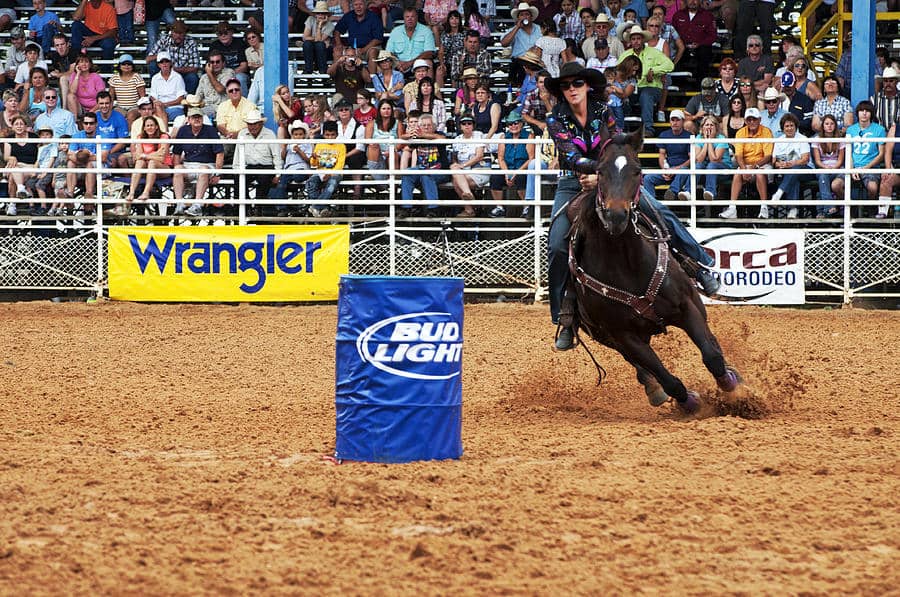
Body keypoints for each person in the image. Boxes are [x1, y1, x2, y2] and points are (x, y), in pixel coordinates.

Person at [545, 62, 719, 350]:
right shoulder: (556, 119)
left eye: (577, 83)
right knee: (557, 245)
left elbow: (619, 143)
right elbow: (570, 156)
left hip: (612, 177)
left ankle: (699, 266)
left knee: (657, 211)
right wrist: (594, 171)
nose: (572, 89)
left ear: (587, 86)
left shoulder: (605, 111)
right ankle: (565, 316)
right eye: (565, 86)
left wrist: (603, 173)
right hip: (573, 183)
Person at [618, 24, 672, 138]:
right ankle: (621, 128)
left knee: (646, 95)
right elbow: (618, 71)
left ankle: (648, 129)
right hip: (632, 88)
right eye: (633, 39)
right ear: (630, 41)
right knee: (620, 95)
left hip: (651, 87)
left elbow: (669, 65)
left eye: (638, 38)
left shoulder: (654, 52)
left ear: (642, 39)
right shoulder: (625, 55)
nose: (636, 41)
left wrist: (654, 70)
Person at [172, 107, 225, 218]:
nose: (197, 119)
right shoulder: (182, 130)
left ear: (202, 118)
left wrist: (217, 173)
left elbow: (219, 153)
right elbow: (176, 153)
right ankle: (179, 204)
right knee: (177, 169)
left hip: (207, 165)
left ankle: (197, 205)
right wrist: (177, 168)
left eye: (199, 117)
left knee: (203, 170)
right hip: (188, 165)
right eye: (194, 117)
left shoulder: (210, 130)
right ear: (189, 119)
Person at [721, 107, 773, 219]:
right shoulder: (740, 132)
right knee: (737, 174)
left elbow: (768, 156)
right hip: (746, 164)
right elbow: (738, 155)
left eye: (754, 119)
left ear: (759, 119)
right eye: (749, 120)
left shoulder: (766, 132)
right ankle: (732, 208)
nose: (752, 122)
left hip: (762, 164)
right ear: (745, 121)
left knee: (760, 174)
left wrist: (754, 167)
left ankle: (764, 208)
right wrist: (744, 169)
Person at [398, 113, 448, 218]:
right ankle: (406, 208)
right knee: (407, 173)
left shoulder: (439, 134)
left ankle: (433, 209)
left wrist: (424, 136)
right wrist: (412, 134)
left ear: (434, 126)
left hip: (440, 170)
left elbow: (443, 139)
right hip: (422, 168)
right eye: (423, 125)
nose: (426, 127)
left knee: (426, 174)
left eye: (429, 125)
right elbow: (402, 138)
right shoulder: (418, 137)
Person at [845, 100, 888, 218]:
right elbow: (849, 152)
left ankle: (870, 210)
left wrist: (865, 168)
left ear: (871, 113)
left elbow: (881, 154)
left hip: (871, 167)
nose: (864, 113)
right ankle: (850, 210)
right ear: (857, 113)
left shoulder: (879, 130)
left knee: (873, 188)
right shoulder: (850, 130)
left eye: (867, 111)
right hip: (853, 167)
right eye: (861, 111)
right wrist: (852, 169)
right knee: (836, 185)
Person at [234, 109, 282, 214]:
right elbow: (237, 155)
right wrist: (237, 170)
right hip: (249, 166)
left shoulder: (270, 134)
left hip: (266, 166)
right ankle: (244, 210)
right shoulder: (242, 134)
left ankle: (259, 209)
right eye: (250, 124)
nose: (252, 126)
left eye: (255, 123)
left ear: (261, 123)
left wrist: (278, 174)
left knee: (264, 179)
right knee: (238, 179)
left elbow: (276, 155)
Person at [489, 111, 534, 217]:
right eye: (510, 124)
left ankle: (526, 208)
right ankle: (499, 207)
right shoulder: (504, 137)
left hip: (523, 168)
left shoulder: (529, 136)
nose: (513, 126)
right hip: (508, 168)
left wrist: (516, 173)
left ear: (521, 123)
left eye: (516, 122)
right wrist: (506, 173)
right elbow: (500, 158)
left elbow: (531, 158)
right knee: (495, 177)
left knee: (521, 178)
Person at [642, 108, 692, 200]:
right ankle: (652, 205)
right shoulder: (664, 135)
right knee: (648, 178)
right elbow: (661, 155)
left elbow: (692, 159)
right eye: (672, 120)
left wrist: (676, 169)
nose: (675, 122)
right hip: (668, 168)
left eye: (677, 120)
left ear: (683, 121)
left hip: (682, 170)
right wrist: (665, 169)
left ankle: (672, 192)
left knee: (685, 170)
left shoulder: (689, 136)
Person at [769, 113, 810, 218]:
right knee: (793, 178)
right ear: (783, 128)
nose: (789, 128)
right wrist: (779, 164)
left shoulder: (802, 138)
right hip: (786, 171)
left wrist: (792, 163)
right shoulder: (779, 140)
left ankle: (779, 193)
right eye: (787, 126)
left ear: (796, 126)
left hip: (804, 170)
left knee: (794, 170)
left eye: (792, 125)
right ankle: (793, 209)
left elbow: (805, 159)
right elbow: (774, 161)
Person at [125, 115, 172, 205]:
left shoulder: (164, 136)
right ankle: (131, 192)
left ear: (157, 126)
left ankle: (146, 192)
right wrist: (154, 155)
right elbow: (138, 156)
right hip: (146, 169)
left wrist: (145, 156)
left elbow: (162, 157)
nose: (150, 128)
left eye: (152, 125)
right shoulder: (140, 137)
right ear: (144, 128)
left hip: (163, 168)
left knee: (152, 162)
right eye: (148, 126)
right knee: (140, 162)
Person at [449, 112, 489, 217]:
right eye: (464, 123)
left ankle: (470, 209)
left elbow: (479, 156)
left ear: (473, 125)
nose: (467, 125)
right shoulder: (457, 140)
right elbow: (454, 159)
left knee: (456, 181)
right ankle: (469, 197)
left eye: (469, 123)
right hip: (462, 173)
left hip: (479, 169)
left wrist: (462, 166)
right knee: (454, 171)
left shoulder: (479, 135)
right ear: (460, 126)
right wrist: (459, 166)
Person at [270, 120, 313, 214]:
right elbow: (283, 157)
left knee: (297, 177)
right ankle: (282, 208)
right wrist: (285, 148)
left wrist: (299, 151)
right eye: (296, 134)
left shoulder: (307, 144)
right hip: (289, 170)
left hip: (302, 169)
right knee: (281, 183)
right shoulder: (289, 144)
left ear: (304, 135)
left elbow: (308, 160)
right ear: (292, 135)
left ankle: (286, 206)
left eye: (300, 134)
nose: (298, 137)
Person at [148, 20, 201, 94]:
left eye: (181, 33)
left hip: (183, 74)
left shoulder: (191, 43)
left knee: (193, 77)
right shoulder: (164, 40)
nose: (178, 36)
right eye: (176, 33)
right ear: (171, 32)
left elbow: (195, 67)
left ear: (185, 33)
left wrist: (176, 70)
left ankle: (188, 100)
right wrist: (163, 55)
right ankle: (157, 92)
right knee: (152, 65)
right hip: (165, 73)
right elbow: (148, 59)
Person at [306, 120, 345, 218]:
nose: (330, 137)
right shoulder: (319, 145)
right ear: (323, 134)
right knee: (311, 182)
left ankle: (316, 206)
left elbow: (340, 164)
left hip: (335, 174)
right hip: (320, 172)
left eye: (332, 135)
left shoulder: (341, 146)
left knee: (331, 184)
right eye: (327, 135)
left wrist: (330, 174)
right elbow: (313, 164)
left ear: (337, 135)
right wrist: (314, 158)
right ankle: (322, 209)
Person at [386, 5, 437, 75]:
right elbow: (389, 52)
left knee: (428, 63)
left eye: (412, 17)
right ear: (403, 18)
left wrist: (410, 63)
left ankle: (427, 85)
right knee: (384, 63)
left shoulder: (426, 31)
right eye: (407, 17)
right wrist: (397, 63)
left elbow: (429, 53)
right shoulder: (396, 31)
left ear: (417, 18)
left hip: (419, 63)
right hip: (399, 64)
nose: (410, 19)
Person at [811, 113, 844, 218]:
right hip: (823, 168)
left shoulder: (840, 139)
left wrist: (834, 168)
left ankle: (823, 211)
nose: (829, 126)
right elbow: (817, 161)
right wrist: (826, 167)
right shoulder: (817, 139)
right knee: (823, 175)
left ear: (835, 125)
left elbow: (840, 160)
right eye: (826, 124)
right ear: (823, 126)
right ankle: (829, 207)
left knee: (824, 178)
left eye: (832, 124)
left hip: (838, 169)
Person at [500, 3, 541, 87]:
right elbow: (504, 43)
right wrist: (517, 27)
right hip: (519, 63)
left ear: (531, 17)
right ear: (518, 18)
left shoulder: (539, 29)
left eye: (527, 14)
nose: (525, 17)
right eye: (522, 15)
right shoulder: (513, 30)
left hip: (536, 62)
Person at [671, 0, 715, 79]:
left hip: (701, 48)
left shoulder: (708, 15)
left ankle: (700, 85)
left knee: (704, 52)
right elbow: (672, 34)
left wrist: (700, 44)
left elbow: (712, 36)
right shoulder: (678, 15)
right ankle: (679, 83)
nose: (692, 1)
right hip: (682, 48)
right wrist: (681, 45)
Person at [693, 115, 732, 201]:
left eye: (711, 125)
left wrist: (709, 140)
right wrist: (706, 142)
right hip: (707, 170)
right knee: (698, 166)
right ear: (702, 128)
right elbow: (698, 160)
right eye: (706, 125)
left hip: (723, 170)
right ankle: (688, 191)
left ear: (716, 127)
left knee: (712, 165)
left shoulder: (721, 138)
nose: (709, 127)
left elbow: (715, 159)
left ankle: (710, 192)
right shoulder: (699, 137)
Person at [334, 0, 384, 66]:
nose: (358, 7)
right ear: (353, 6)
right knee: (337, 51)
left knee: (372, 52)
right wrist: (339, 44)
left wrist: (363, 50)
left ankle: (372, 75)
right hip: (352, 49)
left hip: (370, 48)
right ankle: (338, 75)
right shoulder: (349, 16)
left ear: (365, 5)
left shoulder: (374, 17)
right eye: (356, 5)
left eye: (361, 4)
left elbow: (378, 38)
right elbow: (337, 30)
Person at [3, 114, 38, 207]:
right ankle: (20, 189)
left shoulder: (34, 137)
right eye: (16, 124)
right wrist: (11, 157)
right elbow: (6, 157)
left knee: (12, 177)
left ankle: (12, 205)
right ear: (12, 126)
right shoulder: (9, 139)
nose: (19, 126)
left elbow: (40, 154)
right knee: (13, 174)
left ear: (26, 126)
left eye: (21, 124)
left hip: (31, 166)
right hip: (17, 166)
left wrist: (35, 166)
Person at [209, 22, 250, 95]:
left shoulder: (240, 43)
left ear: (232, 33)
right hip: (220, 74)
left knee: (240, 78)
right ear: (217, 35)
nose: (223, 35)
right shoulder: (214, 45)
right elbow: (210, 66)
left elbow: (244, 66)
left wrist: (229, 74)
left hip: (237, 73)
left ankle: (244, 103)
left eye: (226, 33)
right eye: (220, 33)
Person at [93, 91, 130, 168]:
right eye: (101, 103)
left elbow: (123, 141)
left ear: (111, 104)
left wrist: (108, 152)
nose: (104, 106)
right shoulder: (94, 117)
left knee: (117, 160)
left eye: (107, 103)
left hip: (114, 151)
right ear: (97, 104)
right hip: (97, 150)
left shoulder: (119, 117)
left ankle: (127, 179)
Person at [195, 50, 233, 121]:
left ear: (223, 63)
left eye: (218, 61)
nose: (215, 64)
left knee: (197, 116)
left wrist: (209, 73)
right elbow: (198, 97)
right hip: (206, 107)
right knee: (187, 115)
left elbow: (220, 89)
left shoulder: (229, 73)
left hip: (221, 108)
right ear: (208, 64)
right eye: (212, 62)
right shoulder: (204, 77)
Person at [108, 54, 147, 123]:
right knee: (118, 116)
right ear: (119, 66)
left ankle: (129, 134)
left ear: (132, 66)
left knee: (131, 116)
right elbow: (111, 96)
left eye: (129, 64)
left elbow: (142, 96)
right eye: (124, 64)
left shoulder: (137, 77)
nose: (126, 66)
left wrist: (142, 109)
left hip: (135, 107)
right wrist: (110, 108)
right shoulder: (114, 78)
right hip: (120, 107)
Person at [149, 51, 186, 122]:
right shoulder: (155, 78)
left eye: (166, 61)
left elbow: (180, 99)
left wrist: (165, 104)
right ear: (158, 65)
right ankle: (165, 131)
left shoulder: (178, 77)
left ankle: (164, 131)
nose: (164, 64)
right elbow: (153, 96)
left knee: (159, 114)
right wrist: (158, 104)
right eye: (161, 62)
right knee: (157, 110)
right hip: (159, 107)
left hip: (175, 108)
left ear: (170, 63)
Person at [302, 2, 335, 75]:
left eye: (322, 13)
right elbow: (305, 37)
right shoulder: (310, 19)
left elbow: (319, 40)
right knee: (307, 44)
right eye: (318, 13)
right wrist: (315, 39)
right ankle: (308, 71)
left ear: (326, 15)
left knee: (319, 45)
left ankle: (323, 71)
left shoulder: (330, 25)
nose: (320, 15)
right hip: (311, 49)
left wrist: (319, 25)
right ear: (315, 14)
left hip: (324, 51)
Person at [779, 71, 814, 136]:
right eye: (785, 86)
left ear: (795, 83)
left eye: (789, 86)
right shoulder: (778, 100)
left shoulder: (804, 99)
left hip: (800, 135)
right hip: (781, 135)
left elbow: (809, 121)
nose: (787, 88)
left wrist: (793, 124)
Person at [46, 33, 77, 100]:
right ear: (54, 46)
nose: (60, 47)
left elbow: (71, 73)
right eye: (57, 45)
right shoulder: (55, 56)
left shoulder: (74, 53)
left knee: (63, 79)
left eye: (62, 44)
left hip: (78, 80)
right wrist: (56, 74)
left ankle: (64, 108)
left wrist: (58, 74)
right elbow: (57, 72)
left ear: (67, 44)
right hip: (65, 82)